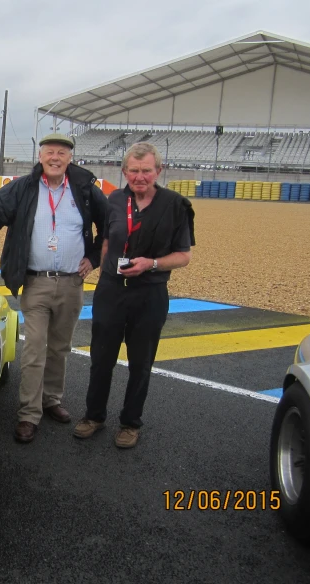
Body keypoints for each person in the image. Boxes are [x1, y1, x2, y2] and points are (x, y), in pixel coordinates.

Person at [0, 133, 108, 443]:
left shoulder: (85, 190)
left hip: (72, 283)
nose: (54, 157)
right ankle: (29, 413)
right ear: (40, 156)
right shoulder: (22, 188)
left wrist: (94, 258)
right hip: (36, 282)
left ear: (70, 158)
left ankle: (51, 400)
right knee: (34, 350)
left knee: (59, 348)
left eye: (61, 152)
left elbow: (109, 227)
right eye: (49, 152)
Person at [73, 142, 195, 449]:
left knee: (141, 363)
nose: (140, 177)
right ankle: (94, 416)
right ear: (125, 171)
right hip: (111, 292)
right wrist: (104, 270)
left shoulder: (176, 205)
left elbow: (183, 256)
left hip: (149, 294)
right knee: (101, 359)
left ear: (159, 171)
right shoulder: (115, 199)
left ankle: (130, 423)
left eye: (146, 171)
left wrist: (151, 264)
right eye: (134, 171)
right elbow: (105, 240)